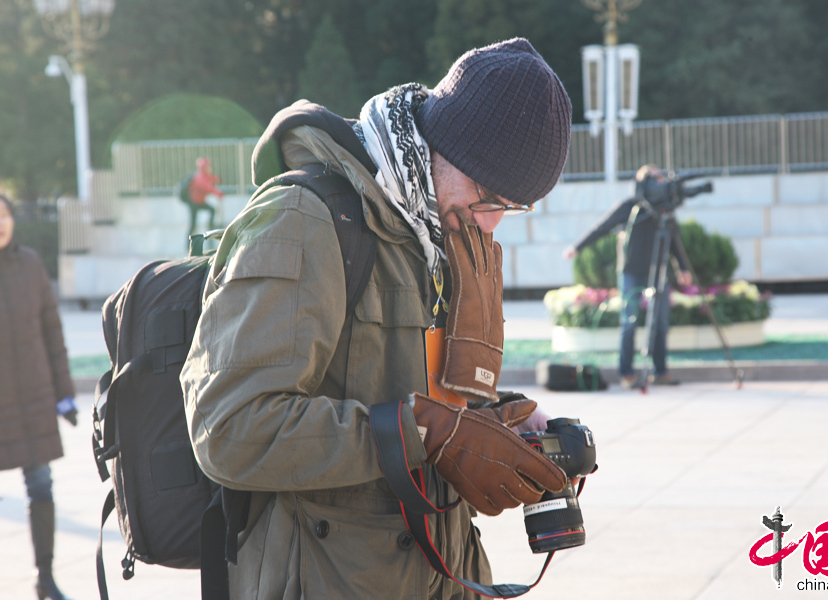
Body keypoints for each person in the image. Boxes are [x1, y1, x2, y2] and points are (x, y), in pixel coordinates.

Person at [181, 38, 573, 599]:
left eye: (512, 207)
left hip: (441, 571)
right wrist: (423, 433)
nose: (491, 225)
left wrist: (501, 425)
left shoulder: (437, 230)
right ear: (439, 144)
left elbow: (416, 392)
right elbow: (231, 429)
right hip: (327, 578)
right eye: (488, 195)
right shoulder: (304, 220)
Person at [0, 194, 78, 600]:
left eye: (5, 214)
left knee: (41, 488)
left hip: (31, 400)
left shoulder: (30, 265)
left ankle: (45, 577)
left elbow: (53, 334)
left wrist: (65, 395)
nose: (1, 222)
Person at [563, 165, 692, 389]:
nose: (658, 183)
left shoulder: (665, 210)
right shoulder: (630, 207)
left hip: (658, 272)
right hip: (631, 272)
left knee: (660, 323)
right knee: (629, 323)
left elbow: (674, 240)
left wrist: (683, 268)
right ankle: (627, 374)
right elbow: (602, 227)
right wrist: (577, 247)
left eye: (660, 179)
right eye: (653, 179)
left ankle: (660, 372)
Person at [183, 156, 224, 236]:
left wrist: (217, 179)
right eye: (208, 166)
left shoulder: (205, 175)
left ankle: (211, 226)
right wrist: (217, 193)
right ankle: (188, 243)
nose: (210, 168)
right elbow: (207, 187)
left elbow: (211, 179)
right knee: (193, 224)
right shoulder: (199, 177)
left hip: (200, 202)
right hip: (194, 203)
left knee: (212, 210)